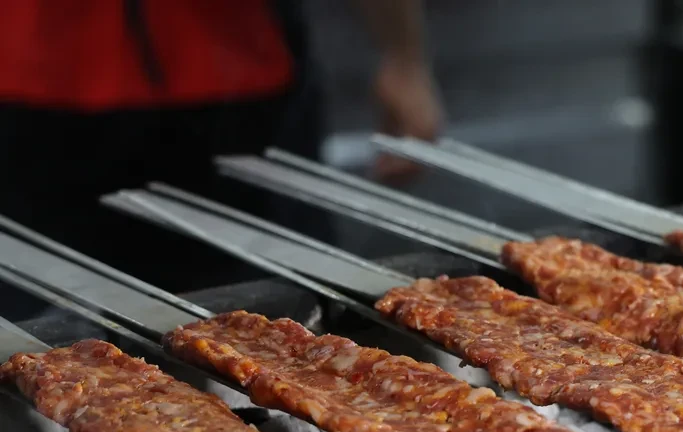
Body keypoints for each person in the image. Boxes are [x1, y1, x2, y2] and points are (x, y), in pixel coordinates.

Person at [0, 0, 444, 298]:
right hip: (35, 87)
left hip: (230, 83)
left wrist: (402, 56)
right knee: (43, 326)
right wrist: (402, 55)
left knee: (280, 317)